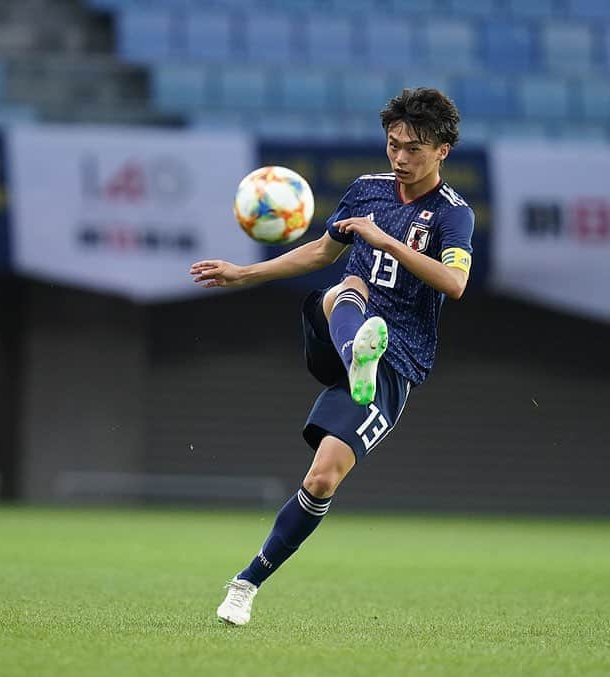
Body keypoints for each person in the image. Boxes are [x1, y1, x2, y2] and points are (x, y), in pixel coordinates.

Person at [189, 88, 474, 626]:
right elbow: (323, 251)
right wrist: (242, 273)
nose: (400, 158)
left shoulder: (453, 216)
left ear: (443, 151)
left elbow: (455, 284)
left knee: (322, 479)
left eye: (414, 148)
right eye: (393, 145)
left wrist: (388, 243)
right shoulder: (366, 191)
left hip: (397, 363)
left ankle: (244, 585)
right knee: (346, 282)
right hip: (339, 332)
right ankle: (356, 349)